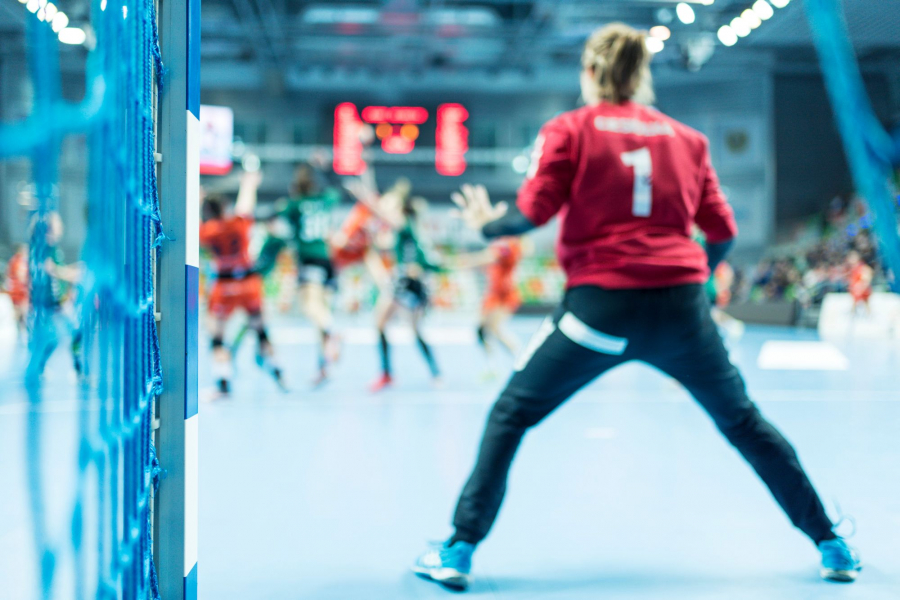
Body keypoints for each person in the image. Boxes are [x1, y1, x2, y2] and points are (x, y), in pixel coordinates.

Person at [413, 23, 860, 591]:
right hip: (682, 313)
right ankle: (831, 543)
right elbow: (722, 230)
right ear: (640, 76)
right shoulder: (688, 140)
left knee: (511, 415)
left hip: (598, 315)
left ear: (592, 73)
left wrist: (486, 225)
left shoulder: (569, 130)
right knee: (744, 424)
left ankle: (457, 551)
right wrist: (700, 276)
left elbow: (532, 215)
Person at [348, 177, 442, 392]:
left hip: (409, 282)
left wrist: (364, 196)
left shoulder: (404, 223)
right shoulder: (406, 230)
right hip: (405, 280)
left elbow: (380, 213)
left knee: (405, 327)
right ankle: (395, 373)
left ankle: (409, 373)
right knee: (388, 324)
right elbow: (383, 238)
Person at [199, 169, 284, 397]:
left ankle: (223, 382)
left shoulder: (206, 232)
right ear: (225, 209)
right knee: (260, 331)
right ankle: (277, 370)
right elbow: (246, 206)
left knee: (217, 335)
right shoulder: (238, 224)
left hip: (223, 286)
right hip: (248, 284)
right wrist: (249, 184)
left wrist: (196, 200)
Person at [276, 163, 342, 386]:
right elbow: (336, 189)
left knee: (310, 308)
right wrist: (325, 169)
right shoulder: (324, 200)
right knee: (320, 316)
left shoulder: (295, 204)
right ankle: (325, 368)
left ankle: (334, 332)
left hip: (309, 260)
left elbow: (278, 218)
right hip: (328, 261)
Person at [451, 237, 526, 377]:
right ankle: (492, 365)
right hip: (493, 294)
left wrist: (465, 261)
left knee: (496, 330)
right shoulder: (499, 242)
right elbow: (488, 260)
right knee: (481, 330)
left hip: (504, 295)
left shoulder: (510, 243)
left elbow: (489, 257)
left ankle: (522, 359)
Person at [4, 244, 30, 341]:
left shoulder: (12, 260)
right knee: (23, 311)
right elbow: (21, 275)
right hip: (20, 291)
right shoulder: (20, 261)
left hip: (13, 290)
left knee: (19, 311)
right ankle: (23, 331)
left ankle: (20, 331)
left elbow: (8, 274)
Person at [846, 250, 873, 315]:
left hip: (861, 290)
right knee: (855, 306)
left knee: (865, 306)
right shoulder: (852, 268)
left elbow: (866, 279)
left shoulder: (862, 267)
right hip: (856, 290)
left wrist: (860, 288)